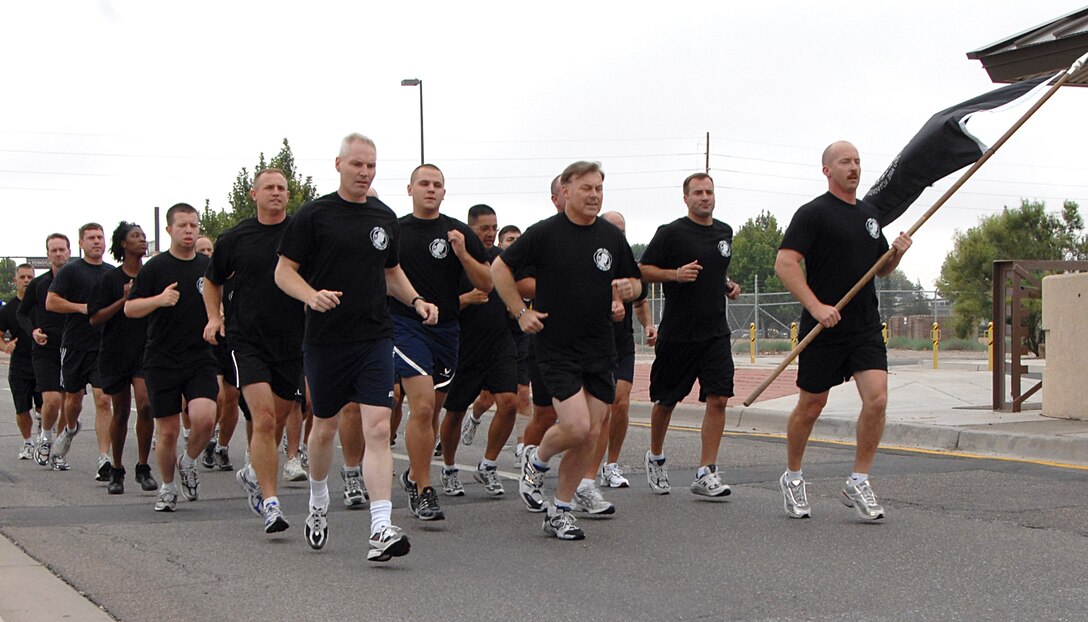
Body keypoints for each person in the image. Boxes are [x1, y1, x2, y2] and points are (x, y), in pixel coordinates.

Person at [275, 132, 435, 561]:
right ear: (339, 164)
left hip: (375, 337)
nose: (364, 172)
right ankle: (317, 500)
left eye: (371, 166)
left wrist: (416, 301)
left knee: (379, 429)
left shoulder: (384, 218)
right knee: (324, 427)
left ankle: (380, 526)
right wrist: (310, 295)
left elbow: (391, 272)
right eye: (357, 164)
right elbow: (283, 272)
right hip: (326, 340)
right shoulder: (313, 216)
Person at [493, 160, 641, 540]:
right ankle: (537, 462)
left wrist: (630, 290)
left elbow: (634, 281)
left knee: (590, 434)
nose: (594, 195)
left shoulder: (610, 235)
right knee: (575, 425)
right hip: (556, 345)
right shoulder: (545, 234)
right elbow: (499, 269)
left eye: (599, 188)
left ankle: (559, 510)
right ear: (567, 190)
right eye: (586, 188)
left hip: (599, 345)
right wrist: (520, 312)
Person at [774, 140, 911, 521]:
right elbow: (785, 264)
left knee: (878, 399)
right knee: (811, 405)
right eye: (844, 162)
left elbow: (879, 268)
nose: (853, 167)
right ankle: (794, 476)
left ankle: (859, 479)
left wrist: (895, 254)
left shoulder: (869, 215)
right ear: (827, 170)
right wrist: (816, 307)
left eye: (857, 161)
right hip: (824, 327)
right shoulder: (813, 214)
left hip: (863, 324)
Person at [205, 167, 305, 535]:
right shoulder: (235, 238)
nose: (276, 193)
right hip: (246, 340)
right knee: (262, 419)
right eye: (269, 187)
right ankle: (271, 504)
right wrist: (214, 318)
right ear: (254, 194)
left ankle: (252, 471)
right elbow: (211, 283)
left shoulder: (300, 233)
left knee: (277, 420)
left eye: (282, 187)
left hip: (292, 341)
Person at [394, 164, 491, 521]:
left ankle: (412, 474)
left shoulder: (457, 232)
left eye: (437, 185)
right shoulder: (397, 231)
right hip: (405, 325)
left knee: (432, 410)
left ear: (444, 192)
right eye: (424, 184)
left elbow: (488, 283)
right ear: (410, 189)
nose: (430, 190)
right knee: (420, 407)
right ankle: (424, 489)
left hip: (447, 330)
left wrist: (464, 254)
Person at [639, 173, 741, 498]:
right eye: (697, 192)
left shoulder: (725, 232)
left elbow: (715, 270)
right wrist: (674, 275)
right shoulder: (670, 233)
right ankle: (655, 456)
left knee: (719, 399)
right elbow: (643, 270)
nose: (704, 197)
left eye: (709, 192)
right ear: (686, 198)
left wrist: (727, 285)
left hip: (715, 333)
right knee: (666, 401)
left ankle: (706, 472)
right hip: (678, 334)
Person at [125, 203, 219, 512]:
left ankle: (189, 462)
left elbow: (220, 302)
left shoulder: (207, 266)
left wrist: (216, 319)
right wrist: (159, 299)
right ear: (169, 230)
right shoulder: (155, 267)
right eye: (183, 226)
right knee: (167, 430)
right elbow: (130, 309)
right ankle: (167, 487)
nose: (189, 231)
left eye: (194, 225)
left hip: (199, 355)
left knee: (205, 416)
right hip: (162, 358)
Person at [438, 204, 517, 497]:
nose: (490, 233)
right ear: (470, 229)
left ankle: (488, 464)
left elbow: (513, 289)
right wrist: (466, 298)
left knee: (509, 402)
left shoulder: (500, 259)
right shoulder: (454, 262)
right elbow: (441, 306)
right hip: (464, 346)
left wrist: (514, 307)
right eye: (484, 228)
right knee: (455, 412)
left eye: (494, 228)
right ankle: (448, 468)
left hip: (499, 343)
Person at [88, 222, 157, 494]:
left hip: (145, 350)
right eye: (135, 237)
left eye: (143, 236)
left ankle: (143, 466)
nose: (142, 241)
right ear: (123, 244)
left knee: (146, 404)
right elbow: (94, 318)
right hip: (116, 352)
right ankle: (117, 469)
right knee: (119, 412)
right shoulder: (109, 279)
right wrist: (123, 300)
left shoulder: (151, 275)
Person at [46, 223, 115, 479]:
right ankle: (70, 429)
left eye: (100, 237)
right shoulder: (71, 271)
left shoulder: (112, 273)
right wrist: (81, 307)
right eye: (91, 238)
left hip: (103, 346)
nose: (97, 242)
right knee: (73, 400)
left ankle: (104, 458)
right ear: (81, 243)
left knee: (103, 400)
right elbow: (51, 302)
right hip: (75, 345)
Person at [594, 211, 656, 492]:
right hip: (593, 342)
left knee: (620, 401)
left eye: (623, 230)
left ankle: (612, 465)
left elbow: (641, 301)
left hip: (622, 342)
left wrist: (649, 325)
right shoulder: (591, 258)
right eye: (613, 229)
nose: (619, 235)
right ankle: (587, 467)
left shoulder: (628, 264)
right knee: (599, 409)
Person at [465, 224, 532, 457]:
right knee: (486, 399)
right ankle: (474, 418)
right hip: (495, 336)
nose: (514, 243)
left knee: (521, 394)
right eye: (509, 239)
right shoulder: (493, 265)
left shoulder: (524, 268)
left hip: (520, 336)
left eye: (518, 239)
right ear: (500, 244)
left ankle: (523, 446)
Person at [18, 234, 71, 469]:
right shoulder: (39, 284)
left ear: (69, 251)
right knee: (52, 400)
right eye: (54, 250)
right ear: (48, 254)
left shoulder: (78, 279)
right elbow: (22, 312)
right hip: (45, 348)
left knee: (70, 404)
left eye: (62, 249)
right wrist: (33, 331)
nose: (58, 254)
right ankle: (45, 436)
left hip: (73, 348)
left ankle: (59, 452)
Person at [0, 263, 42, 459]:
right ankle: (27, 442)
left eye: (30, 277)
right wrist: (5, 347)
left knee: (45, 404)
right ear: (15, 280)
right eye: (22, 277)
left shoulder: (42, 304)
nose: (26, 281)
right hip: (20, 364)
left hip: (43, 360)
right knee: (22, 407)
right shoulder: (8, 309)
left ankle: (44, 437)